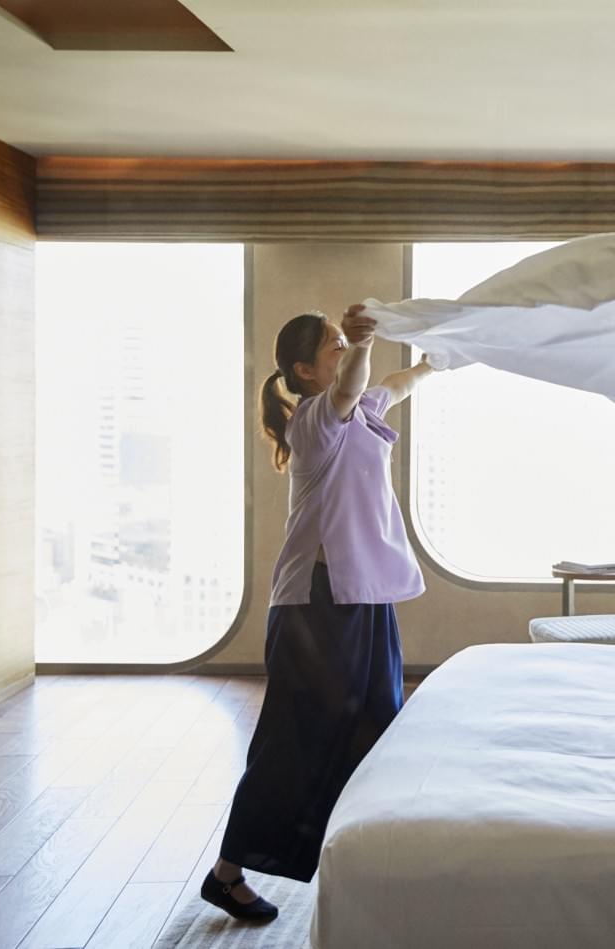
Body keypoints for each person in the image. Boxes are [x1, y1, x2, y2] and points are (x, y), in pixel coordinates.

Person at [201, 304, 438, 921]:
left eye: (343, 342)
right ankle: (228, 872)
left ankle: (372, 861)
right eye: (333, 345)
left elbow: (396, 384)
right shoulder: (314, 420)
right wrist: (360, 346)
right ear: (306, 371)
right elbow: (356, 381)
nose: (345, 350)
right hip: (316, 604)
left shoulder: (360, 414)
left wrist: (447, 354)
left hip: (364, 599)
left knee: (380, 724)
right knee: (294, 741)